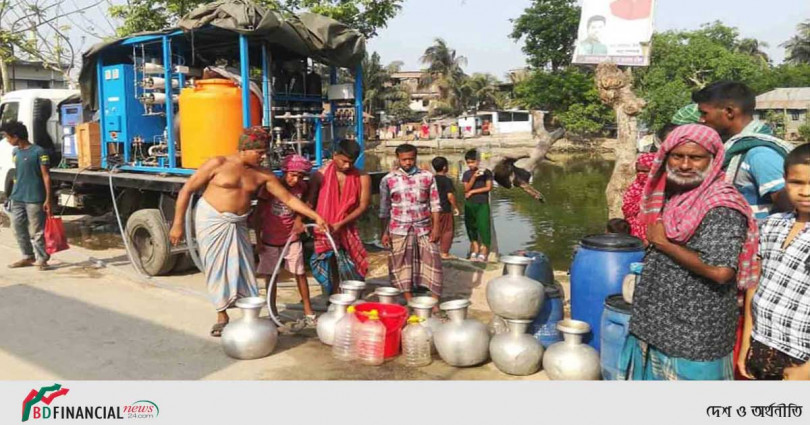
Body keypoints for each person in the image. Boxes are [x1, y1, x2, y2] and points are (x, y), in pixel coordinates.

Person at [622, 124, 759, 380]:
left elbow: (721, 272)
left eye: (696, 158)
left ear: (713, 160)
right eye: (677, 156)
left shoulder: (721, 207)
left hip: (694, 337)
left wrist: (665, 244)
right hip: (657, 327)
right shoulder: (677, 196)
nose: (685, 165)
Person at [169, 126, 327, 337]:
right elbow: (187, 190)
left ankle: (250, 315)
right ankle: (221, 314)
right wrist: (178, 223)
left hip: (239, 222)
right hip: (212, 220)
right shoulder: (218, 163)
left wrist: (315, 216)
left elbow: (288, 199)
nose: (262, 157)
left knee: (244, 268)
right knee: (217, 268)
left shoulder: (263, 175)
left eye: (264, 153)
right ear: (245, 149)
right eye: (259, 152)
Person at [740, 144, 810, 380]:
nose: (805, 192)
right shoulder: (772, 225)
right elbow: (755, 284)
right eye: (797, 183)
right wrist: (745, 342)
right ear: (784, 181)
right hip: (761, 343)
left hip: (800, 357)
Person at [693, 81, 794, 220]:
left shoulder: (760, 155)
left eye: (705, 113)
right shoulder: (734, 150)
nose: (701, 119)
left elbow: (793, 209)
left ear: (729, 112)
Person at [254, 154, 315, 326]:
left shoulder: (302, 188)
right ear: (284, 171)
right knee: (271, 277)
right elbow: (258, 215)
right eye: (292, 175)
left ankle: (308, 311)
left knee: (299, 273)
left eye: (300, 176)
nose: (295, 180)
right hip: (270, 239)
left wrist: (299, 220)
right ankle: (273, 312)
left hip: (292, 238)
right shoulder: (269, 188)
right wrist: (258, 241)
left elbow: (306, 203)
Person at [306, 139, 371, 295]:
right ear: (335, 155)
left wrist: (341, 223)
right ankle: (332, 295)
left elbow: (362, 206)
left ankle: (352, 294)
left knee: (352, 262)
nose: (347, 166)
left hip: (347, 227)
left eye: (351, 162)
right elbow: (310, 202)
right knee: (328, 263)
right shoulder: (319, 175)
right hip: (324, 228)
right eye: (344, 161)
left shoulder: (362, 177)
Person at [379, 144, 442, 303]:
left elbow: (435, 204)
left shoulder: (427, 176)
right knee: (401, 265)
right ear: (398, 159)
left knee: (433, 263)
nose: (408, 162)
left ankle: (434, 302)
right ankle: (409, 300)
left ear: (416, 157)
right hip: (399, 227)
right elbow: (384, 209)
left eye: (411, 159)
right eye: (404, 159)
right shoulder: (388, 180)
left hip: (424, 227)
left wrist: (436, 228)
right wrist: (384, 232)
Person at [1, 121, 52, 270]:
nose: (7, 140)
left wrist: (48, 198)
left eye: (8, 137)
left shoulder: (39, 152)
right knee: (17, 227)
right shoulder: (15, 152)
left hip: (35, 198)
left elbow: (46, 176)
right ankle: (27, 256)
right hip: (18, 197)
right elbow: (18, 173)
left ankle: (42, 259)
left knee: (36, 231)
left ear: (16, 136)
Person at [463, 149, 493, 262]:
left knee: (484, 226)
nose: (471, 164)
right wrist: (474, 177)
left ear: (478, 161)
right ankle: (475, 247)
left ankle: (484, 249)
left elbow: (489, 187)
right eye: (469, 162)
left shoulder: (486, 173)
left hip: (482, 202)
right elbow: (466, 188)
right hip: (470, 203)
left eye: (473, 162)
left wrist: (473, 192)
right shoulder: (467, 174)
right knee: (471, 226)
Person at [621, 153, 656, 241]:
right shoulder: (634, 187)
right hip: (633, 232)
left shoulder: (663, 189)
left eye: (645, 171)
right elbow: (627, 210)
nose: (641, 174)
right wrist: (643, 202)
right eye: (638, 171)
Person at [431, 156, 460, 259]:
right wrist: (455, 207)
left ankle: (432, 251)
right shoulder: (446, 180)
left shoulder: (431, 179)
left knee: (433, 229)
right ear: (444, 167)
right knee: (447, 231)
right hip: (444, 209)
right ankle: (444, 253)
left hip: (432, 210)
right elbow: (450, 196)